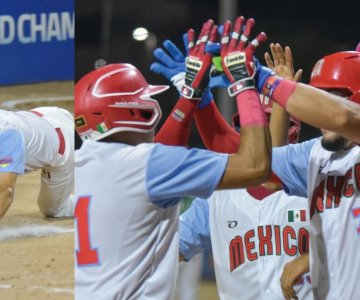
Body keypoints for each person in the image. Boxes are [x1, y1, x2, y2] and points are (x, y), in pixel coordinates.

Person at [74, 17, 272, 299]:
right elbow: (256, 166)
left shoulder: (79, 164)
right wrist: (243, 82)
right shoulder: (147, 165)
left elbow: (154, 163)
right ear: (135, 112)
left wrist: (190, 96)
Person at [151, 37, 313, 300]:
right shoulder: (218, 194)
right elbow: (167, 251)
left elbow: (269, 162)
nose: (262, 130)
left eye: (269, 120)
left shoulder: (317, 180)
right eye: (257, 121)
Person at [271, 50, 360, 300]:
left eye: (332, 101)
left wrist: (312, 257)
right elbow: (268, 170)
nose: (320, 113)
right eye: (317, 100)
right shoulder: (315, 153)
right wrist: (281, 96)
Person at [0, 107, 74, 220]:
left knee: (54, 210)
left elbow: (5, 192)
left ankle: (99, 200)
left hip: (64, 144)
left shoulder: (7, 137)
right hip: (42, 116)